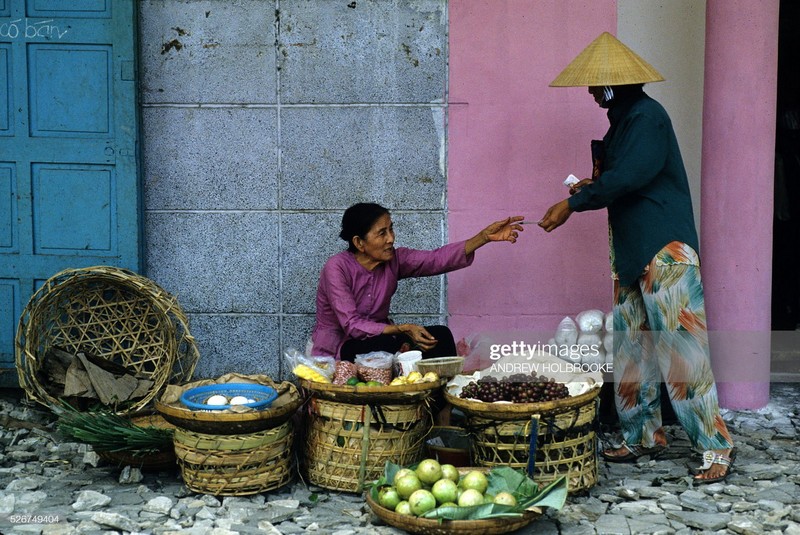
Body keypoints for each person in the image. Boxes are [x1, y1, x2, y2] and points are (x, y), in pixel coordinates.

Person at [539, 32, 735, 483]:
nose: (590, 93)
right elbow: (623, 177)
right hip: (632, 254)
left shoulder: (647, 117)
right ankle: (642, 436)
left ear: (613, 85)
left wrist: (572, 205)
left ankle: (715, 448)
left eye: (594, 85)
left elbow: (631, 176)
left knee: (683, 354)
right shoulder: (624, 122)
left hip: (664, 252)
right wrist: (589, 188)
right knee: (632, 352)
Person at [311, 202, 524, 361]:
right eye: (382, 233)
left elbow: (436, 259)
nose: (391, 238)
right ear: (359, 242)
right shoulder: (336, 268)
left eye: (391, 229)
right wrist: (403, 329)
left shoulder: (394, 259)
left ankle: (443, 411)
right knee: (386, 343)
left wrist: (483, 237)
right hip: (343, 346)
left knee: (439, 336)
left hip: (387, 339)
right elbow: (352, 325)